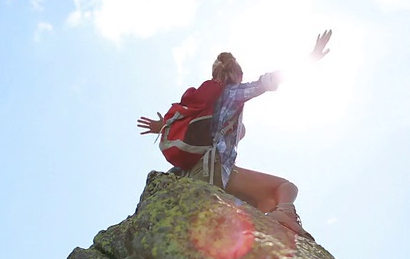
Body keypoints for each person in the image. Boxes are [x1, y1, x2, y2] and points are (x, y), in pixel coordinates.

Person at [138, 30, 332, 240]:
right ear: (238, 76)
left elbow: (190, 129)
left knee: (260, 203)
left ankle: (278, 218)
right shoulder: (232, 92)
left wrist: (162, 126)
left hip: (192, 172)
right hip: (215, 171)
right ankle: (284, 216)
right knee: (285, 188)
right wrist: (310, 60)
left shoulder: (203, 101)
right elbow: (268, 81)